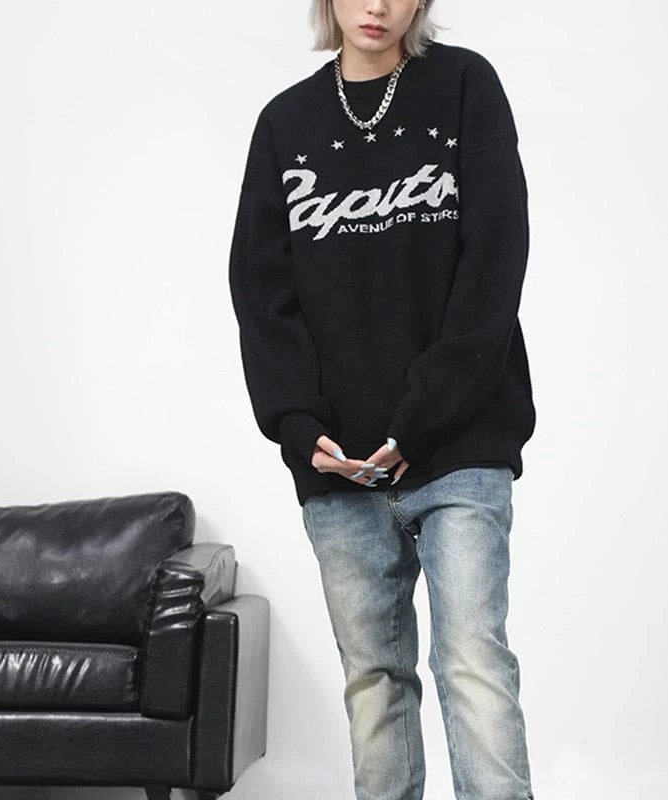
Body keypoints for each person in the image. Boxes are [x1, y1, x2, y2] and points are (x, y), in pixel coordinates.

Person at [228, 1, 537, 798]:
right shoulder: (284, 125)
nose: (377, 5)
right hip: (340, 466)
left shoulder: (465, 87)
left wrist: (422, 415)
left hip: (459, 446)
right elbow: (262, 296)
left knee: (473, 663)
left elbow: (495, 260)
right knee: (373, 682)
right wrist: (299, 426)